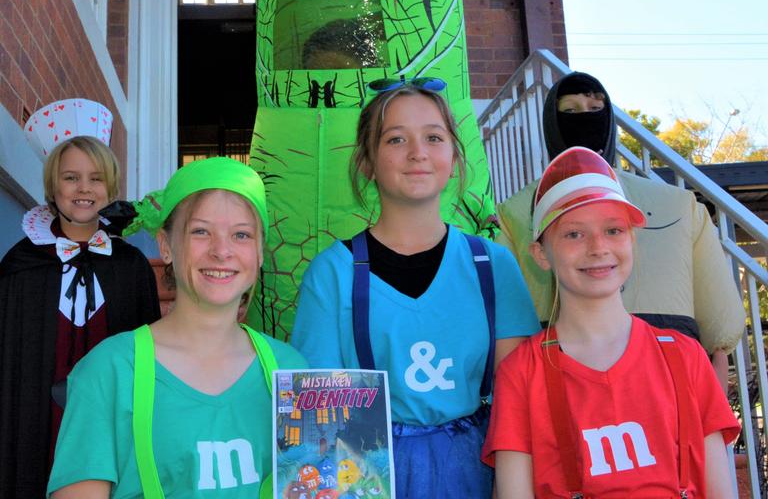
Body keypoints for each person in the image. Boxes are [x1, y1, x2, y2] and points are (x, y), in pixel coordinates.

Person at [291, 77, 540, 499]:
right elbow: (321, 428)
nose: (417, 152)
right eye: (395, 139)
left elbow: (518, 407)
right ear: (367, 162)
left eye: (433, 137)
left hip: (480, 469)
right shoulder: (332, 274)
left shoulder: (493, 265)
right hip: (369, 476)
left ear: (455, 158)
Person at [484, 146, 739, 498]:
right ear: (541, 254)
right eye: (574, 233)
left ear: (633, 240)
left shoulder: (686, 357)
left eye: (614, 230)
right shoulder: (522, 373)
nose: (597, 247)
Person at [48, 157, 306, 498]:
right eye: (200, 231)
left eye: (241, 235)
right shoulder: (109, 371)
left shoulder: (292, 373)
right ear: (166, 246)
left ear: (259, 252)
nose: (222, 251)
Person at [495, 71, 745, 387]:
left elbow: (720, 333)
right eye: (569, 111)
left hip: (666, 379)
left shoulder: (680, 207)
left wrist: (714, 417)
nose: (583, 119)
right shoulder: (515, 214)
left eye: (594, 108)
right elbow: (506, 325)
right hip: (567, 381)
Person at [0, 99, 160, 499]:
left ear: (111, 188)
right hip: (34, 420)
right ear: (53, 186)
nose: (84, 189)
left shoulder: (130, 265)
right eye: (71, 178)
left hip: (106, 421)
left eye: (96, 179)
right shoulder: (22, 264)